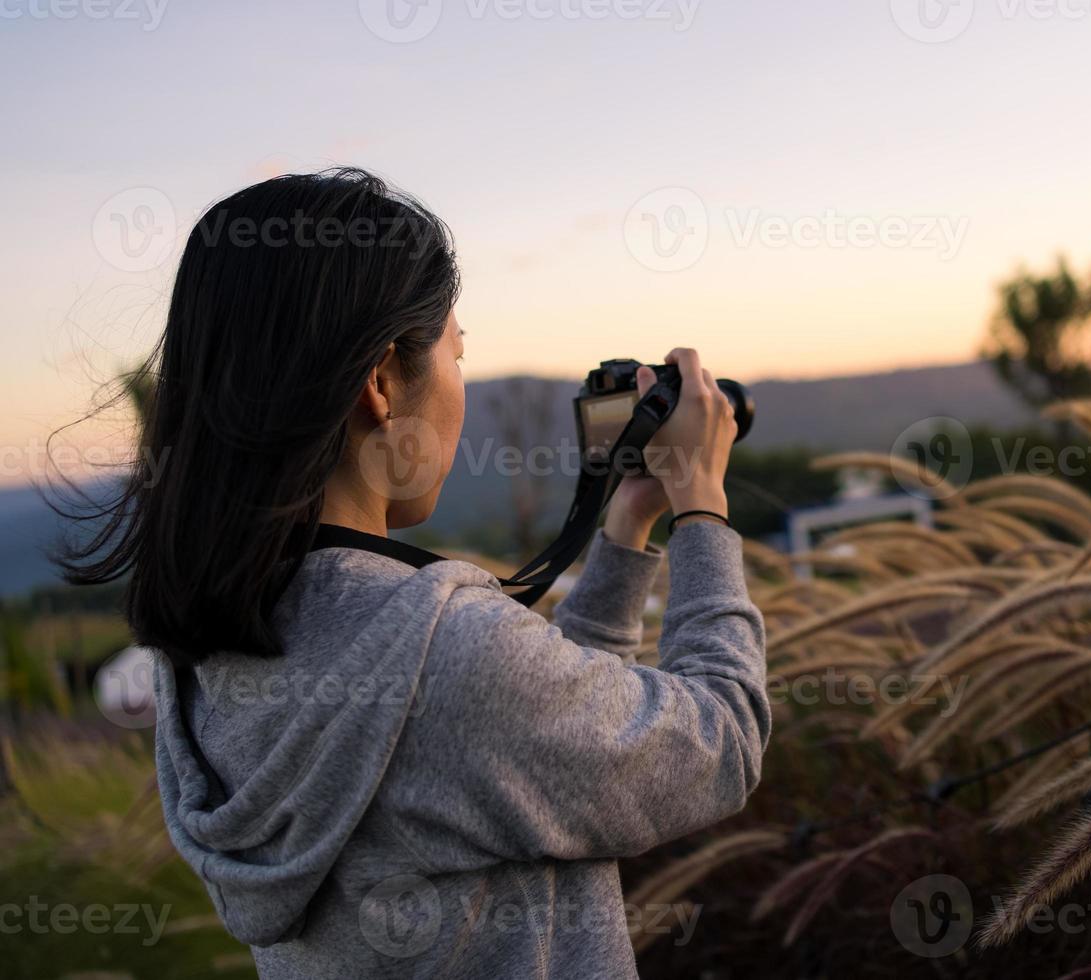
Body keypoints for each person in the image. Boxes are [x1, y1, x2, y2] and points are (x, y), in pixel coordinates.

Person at [58, 168, 770, 979]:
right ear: (381, 381)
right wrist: (703, 505)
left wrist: (627, 523)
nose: (459, 386)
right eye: (455, 353)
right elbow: (719, 745)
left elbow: (531, 736)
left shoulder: (201, 643)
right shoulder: (446, 654)